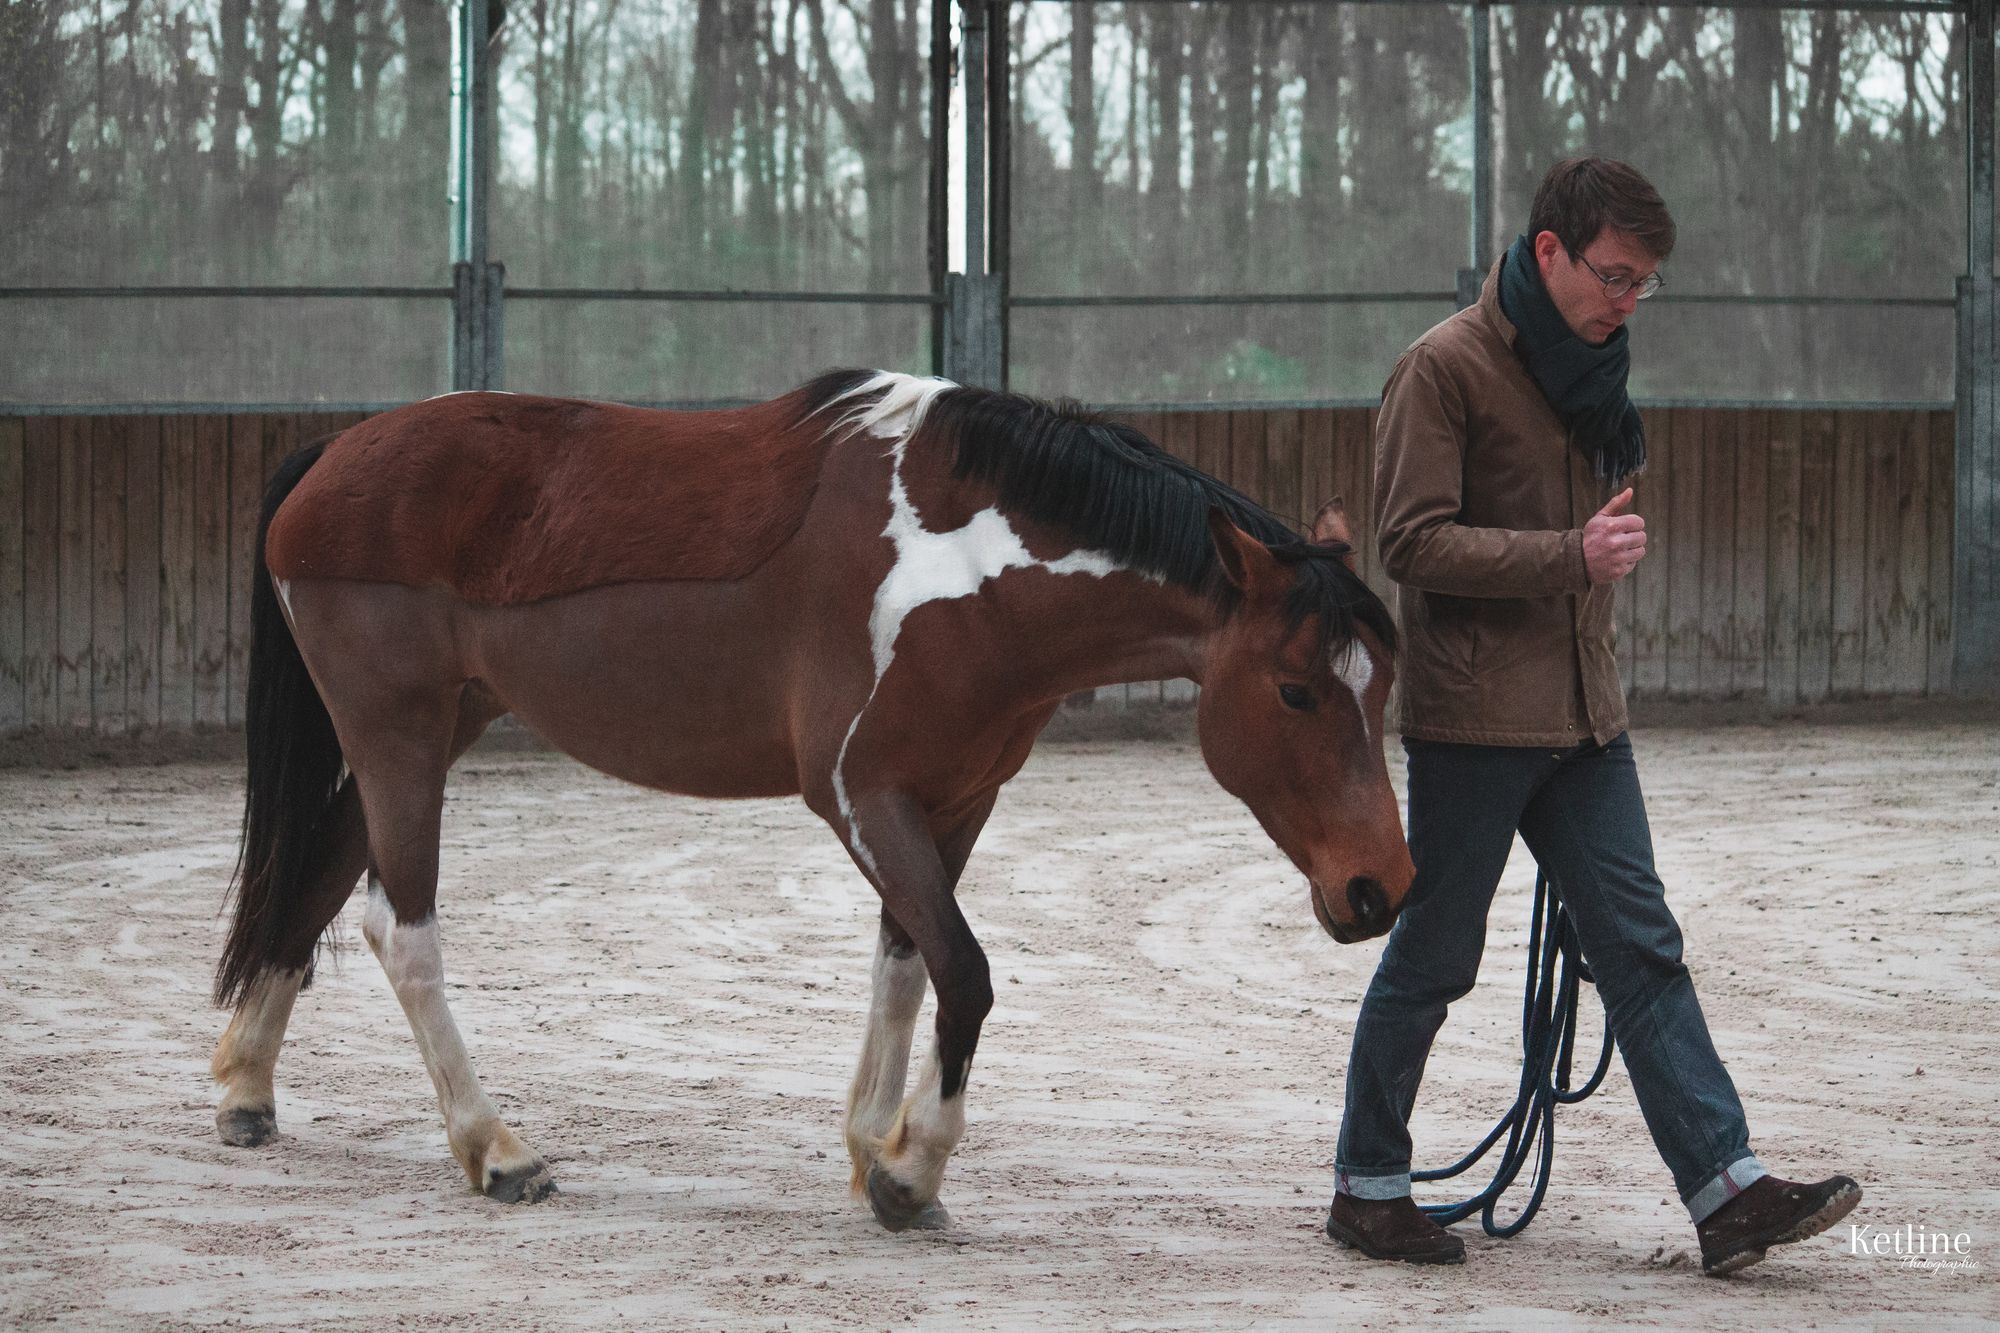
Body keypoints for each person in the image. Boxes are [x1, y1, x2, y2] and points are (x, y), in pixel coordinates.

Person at [1324, 157, 1860, 1277]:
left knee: (1641, 948)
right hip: (1472, 721)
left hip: (1583, 716)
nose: (1625, 302)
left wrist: (1588, 546)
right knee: (1435, 952)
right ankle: (1367, 1185)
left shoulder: (1595, 371)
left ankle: (1726, 1191)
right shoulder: (1440, 369)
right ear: (1548, 250)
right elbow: (1408, 544)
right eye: (1613, 276)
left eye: (1642, 285)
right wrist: (1569, 554)